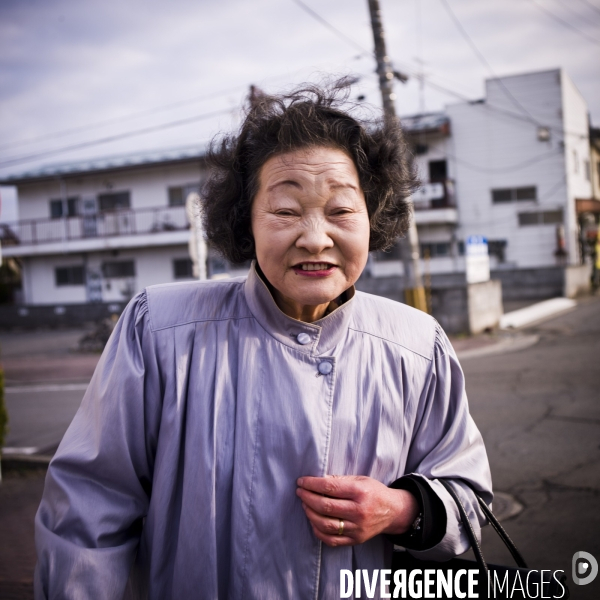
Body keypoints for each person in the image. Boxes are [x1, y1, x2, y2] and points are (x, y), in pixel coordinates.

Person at [35, 83, 492, 600]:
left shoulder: (417, 345)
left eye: (341, 210)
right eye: (286, 211)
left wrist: (401, 510)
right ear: (246, 222)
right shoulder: (158, 332)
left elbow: (469, 499)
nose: (315, 237)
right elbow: (87, 511)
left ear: (373, 217)